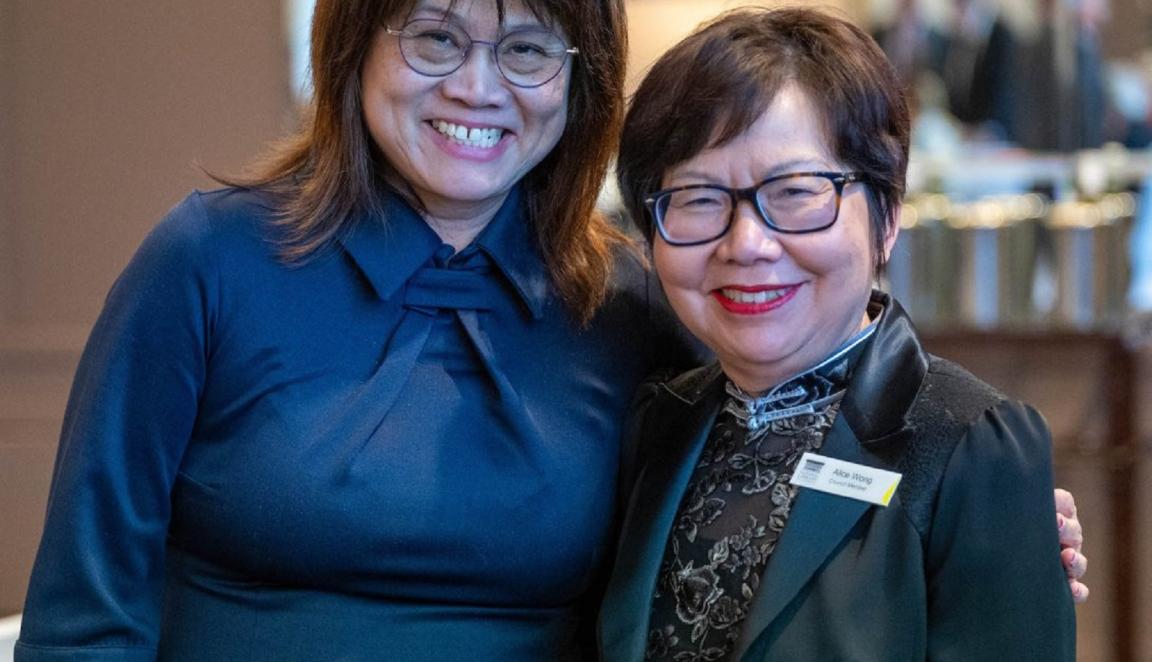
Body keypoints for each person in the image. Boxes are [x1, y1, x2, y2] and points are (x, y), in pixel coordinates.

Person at [16, 1, 1085, 661]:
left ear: (578, 81)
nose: (477, 87)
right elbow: (85, 615)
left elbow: (777, 448)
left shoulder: (630, 303)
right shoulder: (208, 262)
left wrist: (984, 526)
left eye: (529, 47)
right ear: (353, 47)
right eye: (436, 34)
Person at [600, 7, 1077, 661]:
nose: (748, 244)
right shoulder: (656, 422)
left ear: (886, 216)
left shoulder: (970, 447)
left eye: (796, 192)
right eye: (700, 197)